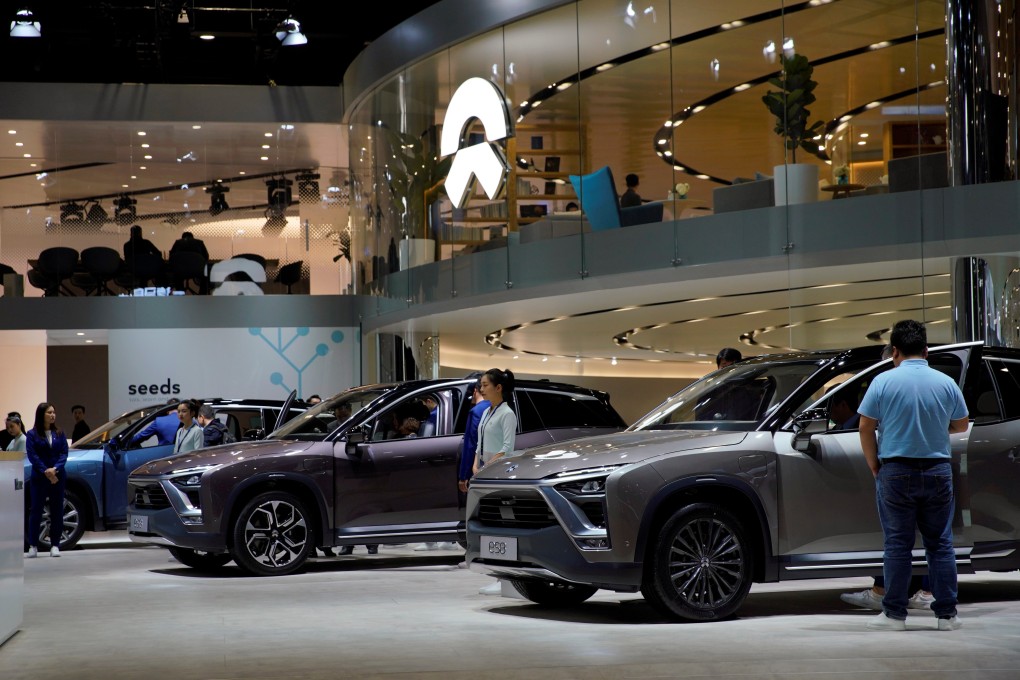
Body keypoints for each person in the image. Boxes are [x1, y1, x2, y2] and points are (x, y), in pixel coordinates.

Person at [857, 319, 969, 631]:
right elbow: (961, 425)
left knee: (897, 544)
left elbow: (865, 426)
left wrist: (874, 465)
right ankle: (946, 616)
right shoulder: (945, 383)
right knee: (940, 544)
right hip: (937, 471)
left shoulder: (882, 382)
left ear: (894, 351)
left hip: (895, 470)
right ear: (926, 350)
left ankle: (894, 615)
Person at [25, 402, 69, 558]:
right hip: (40, 476)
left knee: (57, 510)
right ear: (41, 414)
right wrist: (46, 470)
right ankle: (33, 546)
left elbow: (64, 453)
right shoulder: (32, 434)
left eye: (54, 412)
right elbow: (32, 456)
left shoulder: (59, 432)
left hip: (57, 476)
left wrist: (54, 469)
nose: (52, 415)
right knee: (36, 511)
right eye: (49, 412)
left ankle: (55, 545)